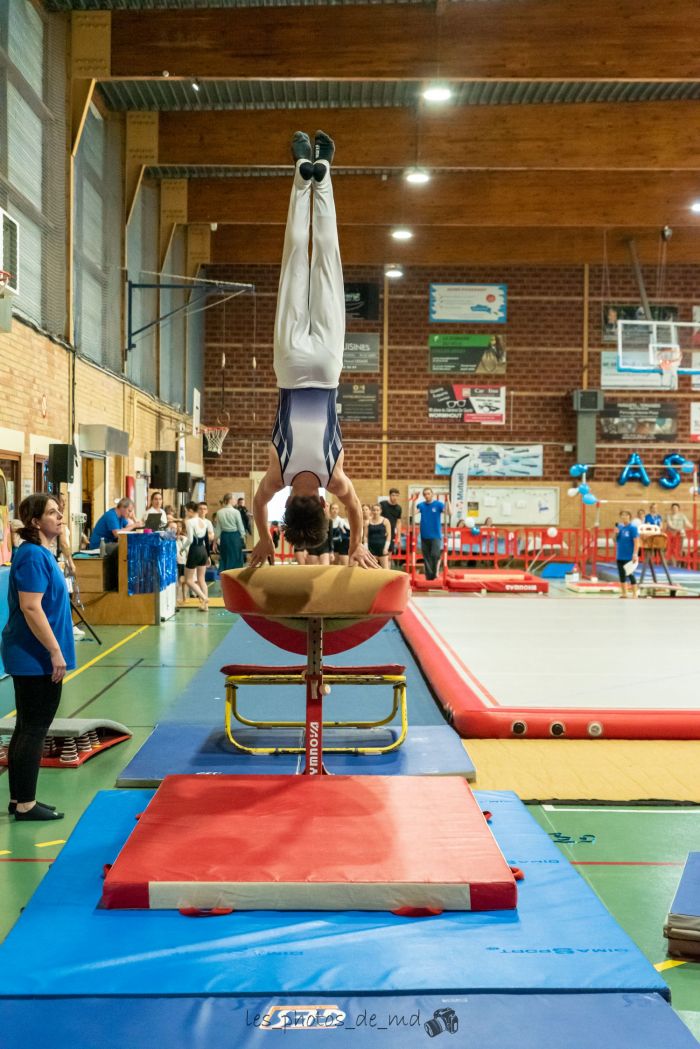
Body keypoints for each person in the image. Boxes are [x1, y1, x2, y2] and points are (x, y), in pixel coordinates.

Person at [249, 131, 376, 571]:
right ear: (290, 508)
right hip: (287, 365)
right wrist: (265, 540)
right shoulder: (276, 477)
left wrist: (357, 546)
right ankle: (303, 174)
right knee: (294, 261)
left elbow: (357, 509)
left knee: (326, 260)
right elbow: (256, 505)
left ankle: (324, 176)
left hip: (326, 367)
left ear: (322, 505)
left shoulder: (334, 478)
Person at [0, 494, 75, 821]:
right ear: (34, 522)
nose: (60, 517)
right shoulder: (32, 556)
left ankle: (20, 800)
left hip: (35, 653)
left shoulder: (41, 553)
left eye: (59, 512)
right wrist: (54, 650)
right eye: (52, 513)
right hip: (35, 655)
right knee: (33, 729)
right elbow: (31, 607)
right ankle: (26, 803)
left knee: (28, 727)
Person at [183, 501, 214, 611]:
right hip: (203, 551)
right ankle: (205, 606)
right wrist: (208, 556)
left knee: (189, 580)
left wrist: (182, 548)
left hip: (195, 550)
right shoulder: (204, 522)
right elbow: (206, 540)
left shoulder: (189, 522)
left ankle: (204, 598)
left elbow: (190, 540)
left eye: (186, 511)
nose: (186, 513)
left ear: (191, 511)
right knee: (201, 579)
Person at [416, 487, 451, 582]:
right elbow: (412, 514)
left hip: (436, 535)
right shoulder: (421, 505)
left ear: (432, 494)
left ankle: (435, 573)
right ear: (424, 496)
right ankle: (429, 577)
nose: (427, 496)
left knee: (435, 555)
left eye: (429, 494)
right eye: (425, 494)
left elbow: (450, 513)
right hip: (424, 534)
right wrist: (413, 500)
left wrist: (448, 501)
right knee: (426, 556)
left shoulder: (438, 504)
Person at [215, 493, 246, 571]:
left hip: (224, 536)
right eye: (234, 499)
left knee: (225, 556)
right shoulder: (236, 512)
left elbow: (218, 529)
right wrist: (243, 537)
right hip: (235, 536)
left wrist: (215, 541)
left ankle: (226, 576)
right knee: (236, 557)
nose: (235, 500)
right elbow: (240, 526)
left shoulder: (219, 512)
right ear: (230, 500)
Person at [615, 509, 641, 599]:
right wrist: (615, 533)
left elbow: (637, 542)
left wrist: (635, 554)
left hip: (629, 556)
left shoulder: (632, 528)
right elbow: (615, 540)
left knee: (630, 574)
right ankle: (624, 593)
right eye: (622, 515)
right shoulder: (620, 528)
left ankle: (635, 593)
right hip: (620, 555)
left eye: (626, 515)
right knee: (622, 575)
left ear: (629, 516)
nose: (624, 517)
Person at [380, 488, 403, 566]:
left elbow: (399, 522)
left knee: (389, 555)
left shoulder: (398, 508)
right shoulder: (382, 504)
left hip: (391, 533)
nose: (395, 497)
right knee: (378, 554)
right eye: (393, 495)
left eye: (397, 495)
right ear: (389, 495)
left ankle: (387, 572)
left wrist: (399, 537)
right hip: (380, 532)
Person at [665, 501, 692, 566]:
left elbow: (689, 525)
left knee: (678, 550)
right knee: (669, 550)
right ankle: (667, 565)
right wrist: (680, 529)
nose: (674, 509)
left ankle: (676, 565)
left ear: (678, 509)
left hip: (679, 536)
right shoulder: (668, 516)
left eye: (676, 508)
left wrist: (687, 528)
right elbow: (670, 525)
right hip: (670, 535)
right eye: (673, 508)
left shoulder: (682, 516)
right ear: (671, 509)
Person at [366, 503, 392, 569]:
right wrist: (366, 548)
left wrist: (386, 548)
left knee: (385, 569)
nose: (375, 512)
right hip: (371, 548)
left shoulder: (385, 521)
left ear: (380, 511)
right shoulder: (368, 522)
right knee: (371, 569)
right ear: (371, 511)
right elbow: (365, 536)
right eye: (374, 510)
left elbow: (389, 535)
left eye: (377, 510)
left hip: (382, 548)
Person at [329, 501, 350, 565]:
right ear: (330, 510)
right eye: (333, 508)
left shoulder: (341, 521)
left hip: (338, 544)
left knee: (336, 563)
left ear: (338, 510)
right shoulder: (327, 520)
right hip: (329, 544)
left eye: (336, 509)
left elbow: (344, 533)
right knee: (330, 563)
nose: (334, 510)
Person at [175, 519, 188, 604]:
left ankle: (184, 597)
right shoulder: (171, 538)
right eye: (176, 527)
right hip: (176, 562)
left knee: (184, 581)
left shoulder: (185, 538)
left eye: (179, 526)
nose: (178, 528)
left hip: (184, 561)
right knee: (178, 581)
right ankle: (177, 598)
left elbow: (188, 550)